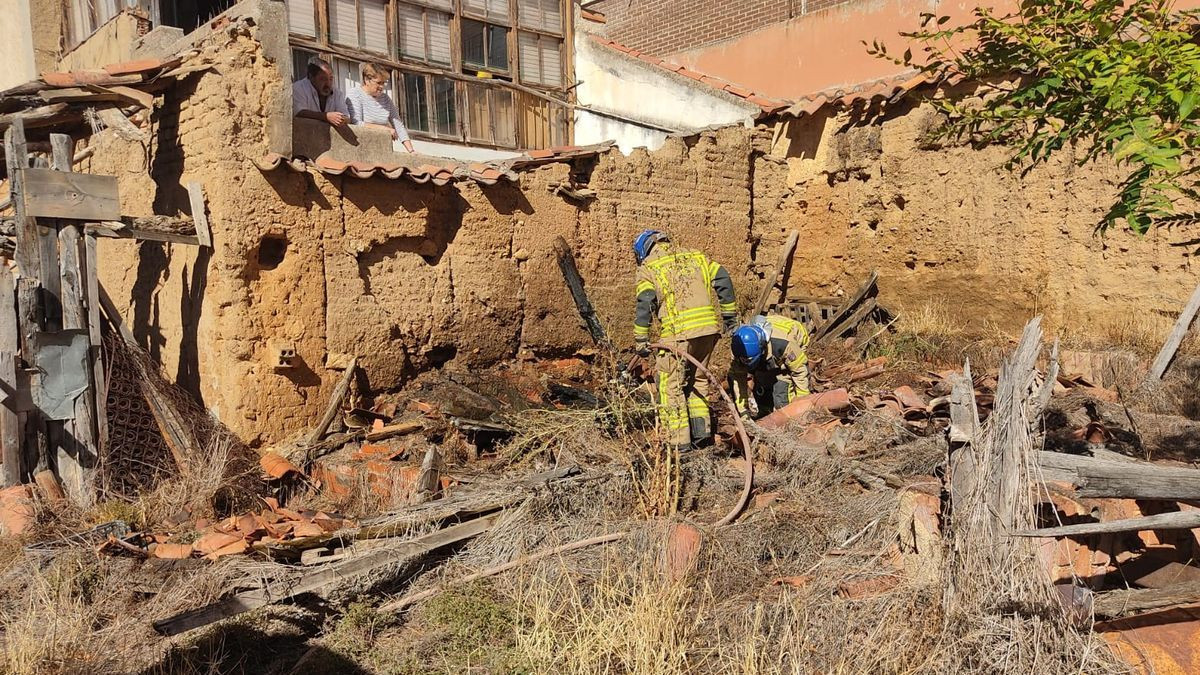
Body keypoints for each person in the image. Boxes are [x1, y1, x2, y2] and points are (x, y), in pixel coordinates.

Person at [632, 230, 737, 452]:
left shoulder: (649, 266)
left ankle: (678, 445)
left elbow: (645, 301)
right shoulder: (696, 256)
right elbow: (723, 279)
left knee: (670, 386)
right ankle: (702, 436)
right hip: (708, 331)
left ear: (643, 251)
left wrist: (641, 338)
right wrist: (729, 317)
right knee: (697, 381)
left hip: (678, 334)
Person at [729, 314, 811, 419]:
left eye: (748, 360)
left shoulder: (783, 345)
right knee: (762, 385)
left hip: (794, 334)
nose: (744, 362)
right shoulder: (739, 346)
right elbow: (738, 378)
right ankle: (765, 413)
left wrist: (802, 402)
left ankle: (787, 417)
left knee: (781, 390)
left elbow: (800, 371)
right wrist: (743, 411)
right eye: (743, 359)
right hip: (769, 345)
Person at [347, 63, 415, 153]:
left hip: (382, 149)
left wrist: (411, 151)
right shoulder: (355, 94)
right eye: (379, 83)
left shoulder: (386, 99)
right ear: (367, 80)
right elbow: (356, 123)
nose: (382, 87)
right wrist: (384, 129)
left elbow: (398, 125)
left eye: (383, 83)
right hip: (360, 148)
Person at [292, 57, 349, 127]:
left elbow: (347, 117)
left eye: (331, 79)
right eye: (323, 79)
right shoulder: (298, 88)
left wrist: (342, 119)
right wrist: (326, 116)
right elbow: (299, 112)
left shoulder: (337, 93)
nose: (328, 83)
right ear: (311, 77)